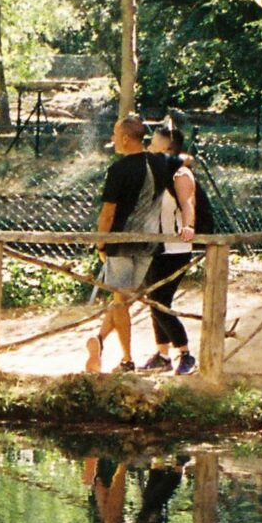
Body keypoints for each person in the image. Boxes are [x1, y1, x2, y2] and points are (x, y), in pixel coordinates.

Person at [86, 113, 170, 377]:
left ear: (124, 137)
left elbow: (107, 213)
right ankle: (99, 340)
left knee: (121, 300)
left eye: (114, 134)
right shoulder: (160, 164)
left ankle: (126, 359)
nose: (112, 139)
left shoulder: (118, 169)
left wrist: (101, 243)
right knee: (124, 298)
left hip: (121, 242)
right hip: (149, 241)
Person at [142, 112, 198, 376]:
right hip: (156, 246)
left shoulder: (181, 174)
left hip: (175, 248)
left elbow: (187, 204)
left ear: (167, 148)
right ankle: (162, 354)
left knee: (160, 300)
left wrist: (188, 226)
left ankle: (185, 353)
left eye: (153, 143)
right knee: (153, 300)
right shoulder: (156, 171)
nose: (149, 146)